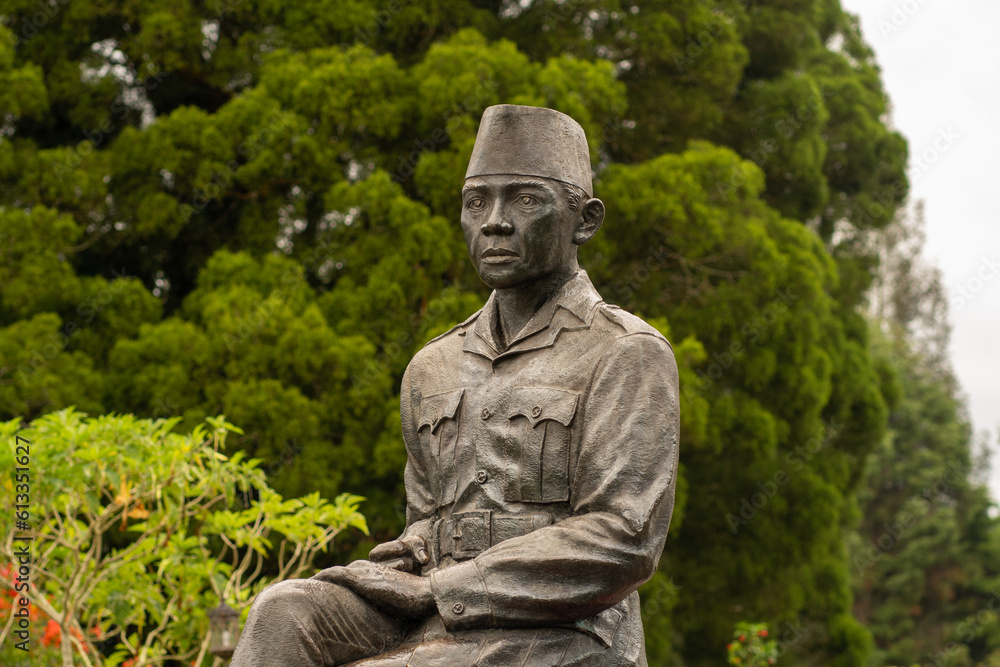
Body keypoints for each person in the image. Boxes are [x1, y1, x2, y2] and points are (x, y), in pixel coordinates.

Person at [230, 104, 680, 667]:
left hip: (567, 629)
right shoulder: (433, 365)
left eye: (525, 200)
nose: (494, 221)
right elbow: (428, 513)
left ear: (584, 221)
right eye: (476, 202)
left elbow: (623, 539)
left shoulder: (625, 352)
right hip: (438, 612)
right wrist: (409, 552)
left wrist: (442, 589)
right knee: (284, 610)